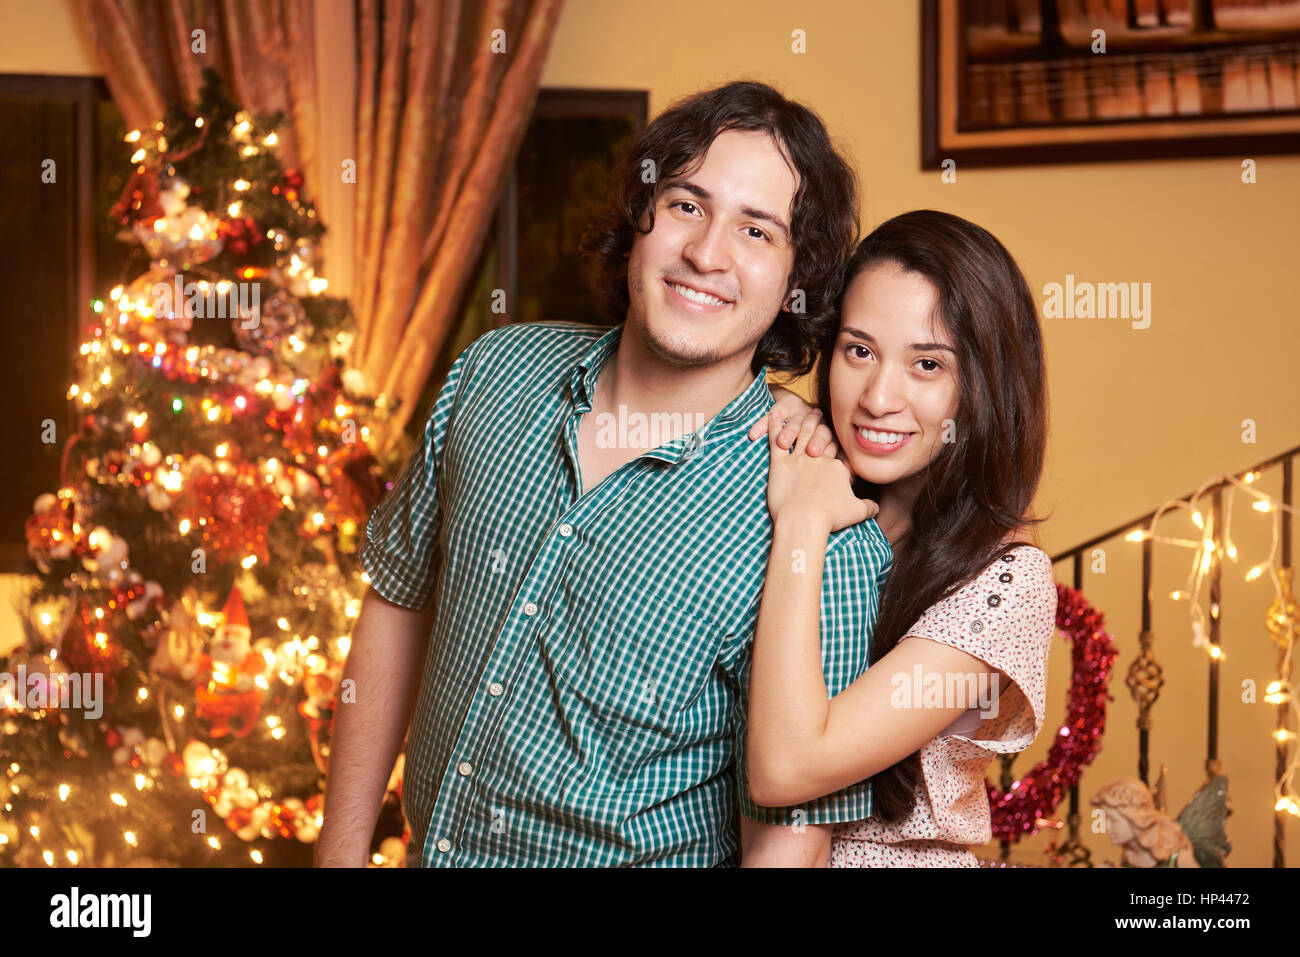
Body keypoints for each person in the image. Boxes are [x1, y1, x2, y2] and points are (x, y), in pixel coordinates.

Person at [315, 79, 893, 868]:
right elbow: (398, 599)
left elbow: (786, 846)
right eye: (688, 204)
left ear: (799, 281)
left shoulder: (815, 528)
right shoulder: (492, 375)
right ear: (640, 216)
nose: (707, 253)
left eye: (757, 231)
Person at [743, 209, 1057, 867]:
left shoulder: (1004, 581)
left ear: (983, 385)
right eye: (859, 351)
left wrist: (802, 519)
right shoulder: (812, 478)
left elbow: (788, 767)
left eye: (926, 364)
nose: (879, 397)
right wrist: (782, 410)